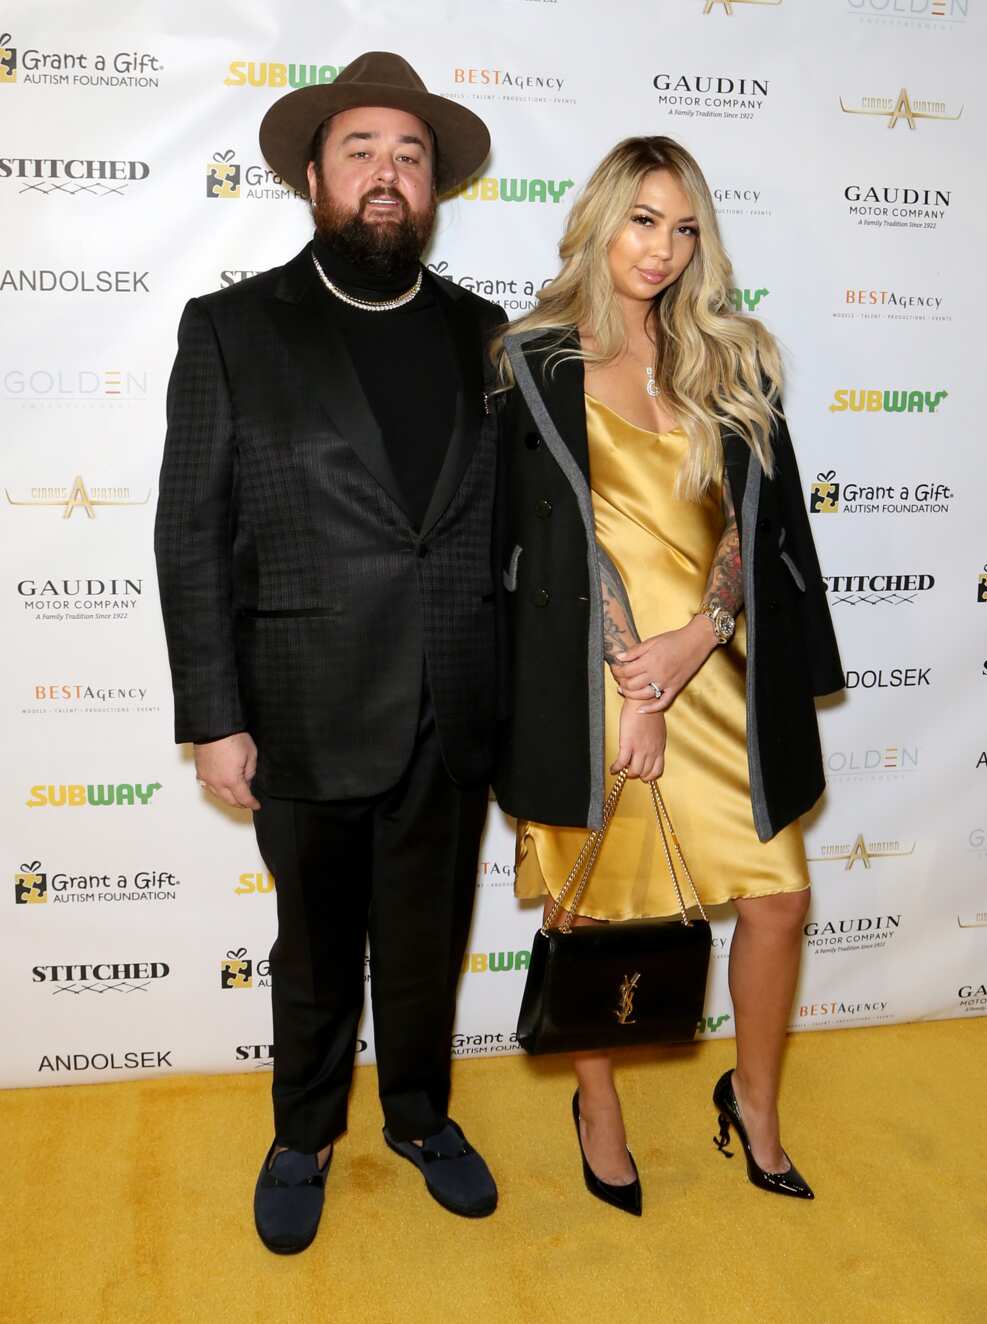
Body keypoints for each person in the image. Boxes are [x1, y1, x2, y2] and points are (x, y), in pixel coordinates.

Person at [154, 51, 506, 1254]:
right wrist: (211, 712)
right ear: (312, 175)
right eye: (360, 150)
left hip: (453, 703)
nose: (387, 174)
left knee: (428, 939)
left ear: (435, 187)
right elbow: (190, 530)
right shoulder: (234, 329)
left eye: (410, 155)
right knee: (313, 952)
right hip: (299, 703)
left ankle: (418, 1116)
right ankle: (301, 1132)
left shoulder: (484, 333)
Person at [493, 136, 843, 1214]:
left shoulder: (731, 357)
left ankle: (754, 1098)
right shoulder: (530, 359)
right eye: (644, 219)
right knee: (590, 906)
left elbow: (754, 523)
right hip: (594, 679)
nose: (663, 247)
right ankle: (596, 1104)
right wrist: (633, 685)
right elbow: (536, 545)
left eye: (684, 226)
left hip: (715, 670)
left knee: (778, 899)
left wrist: (700, 634)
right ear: (600, 218)